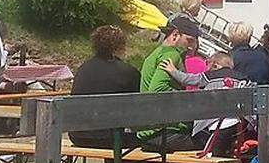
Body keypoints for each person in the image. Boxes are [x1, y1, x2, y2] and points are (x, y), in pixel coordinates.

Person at [136, 17, 203, 151]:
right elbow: (158, 90)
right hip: (163, 132)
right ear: (175, 35)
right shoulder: (172, 55)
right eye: (189, 40)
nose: (191, 47)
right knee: (207, 143)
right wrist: (189, 97)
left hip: (148, 130)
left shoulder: (155, 54)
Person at [70, 26, 140, 149]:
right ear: (119, 46)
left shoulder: (83, 69)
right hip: (111, 137)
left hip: (78, 135)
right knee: (146, 140)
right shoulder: (127, 71)